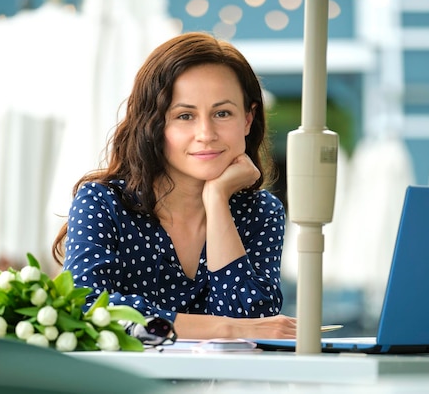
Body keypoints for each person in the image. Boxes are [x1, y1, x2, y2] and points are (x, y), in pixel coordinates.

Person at [53, 32, 296, 340]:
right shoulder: (103, 203)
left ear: (248, 120)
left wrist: (218, 199)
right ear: (154, 123)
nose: (206, 133)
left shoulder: (261, 212)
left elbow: (252, 326)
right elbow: (86, 310)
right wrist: (225, 328)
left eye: (222, 113)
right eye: (185, 116)